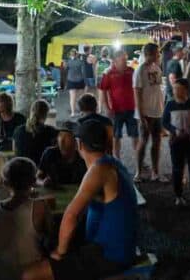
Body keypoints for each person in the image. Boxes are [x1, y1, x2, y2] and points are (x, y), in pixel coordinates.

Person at [22, 120, 138, 280]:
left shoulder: (98, 170)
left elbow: (71, 215)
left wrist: (60, 252)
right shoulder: (113, 163)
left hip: (109, 255)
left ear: (79, 144)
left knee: (30, 274)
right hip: (117, 247)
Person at [0, 157, 50, 280]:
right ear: (33, 181)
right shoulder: (39, 206)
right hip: (32, 274)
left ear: (5, 183)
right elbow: (49, 238)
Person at [162, 79, 190, 206]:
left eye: (178, 89)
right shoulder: (170, 105)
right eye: (174, 89)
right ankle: (178, 195)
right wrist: (174, 130)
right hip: (176, 141)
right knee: (177, 168)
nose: (175, 91)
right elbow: (164, 122)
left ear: (185, 90)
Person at [133, 43, 166, 182]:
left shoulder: (156, 67)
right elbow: (137, 94)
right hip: (145, 112)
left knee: (157, 141)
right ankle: (138, 172)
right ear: (149, 54)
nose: (159, 55)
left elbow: (158, 88)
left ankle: (155, 172)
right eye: (157, 53)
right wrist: (141, 116)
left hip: (157, 111)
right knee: (143, 141)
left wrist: (161, 108)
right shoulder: (140, 70)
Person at [99, 50, 136, 160]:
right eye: (123, 60)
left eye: (126, 59)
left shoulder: (131, 71)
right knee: (116, 136)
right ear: (115, 61)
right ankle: (117, 160)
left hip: (131, 109)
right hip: (116, 110)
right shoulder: (108, 73)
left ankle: (139, 159)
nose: (125, 61)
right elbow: (103, 91)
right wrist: (107, 108)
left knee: (135, 135)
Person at [37, 121, 87, 186]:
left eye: (67, 136)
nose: (62, 140)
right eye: (60, 135)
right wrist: (43, 182)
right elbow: (37, 178)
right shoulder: (50, 153)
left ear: (76, 141)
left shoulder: (83, 156)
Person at [13, 100, 57, 165]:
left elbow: (15, 152)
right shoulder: (51, 131)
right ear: (46, 114)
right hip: (42, 171)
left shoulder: (18, 130)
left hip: (21, 169)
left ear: (31, 112)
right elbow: (54, 154)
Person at [77, 94, 114, 158]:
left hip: (87, 156)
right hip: (105, 154)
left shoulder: (80, 122)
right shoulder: (107, 121)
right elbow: (110, 143)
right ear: (96, 106)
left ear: (81, 108)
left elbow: (80, 145)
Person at [65, 48, 87, 115]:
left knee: (72, 97)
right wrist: (85, 81)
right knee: (80, 97)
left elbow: (65, 69)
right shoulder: (80, 61)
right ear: (76, 54)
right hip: (80, 80)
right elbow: (83, 72)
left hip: (71, 80)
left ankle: (73, 112)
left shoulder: (68, 62)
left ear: (70, 54)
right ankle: (81, 111)